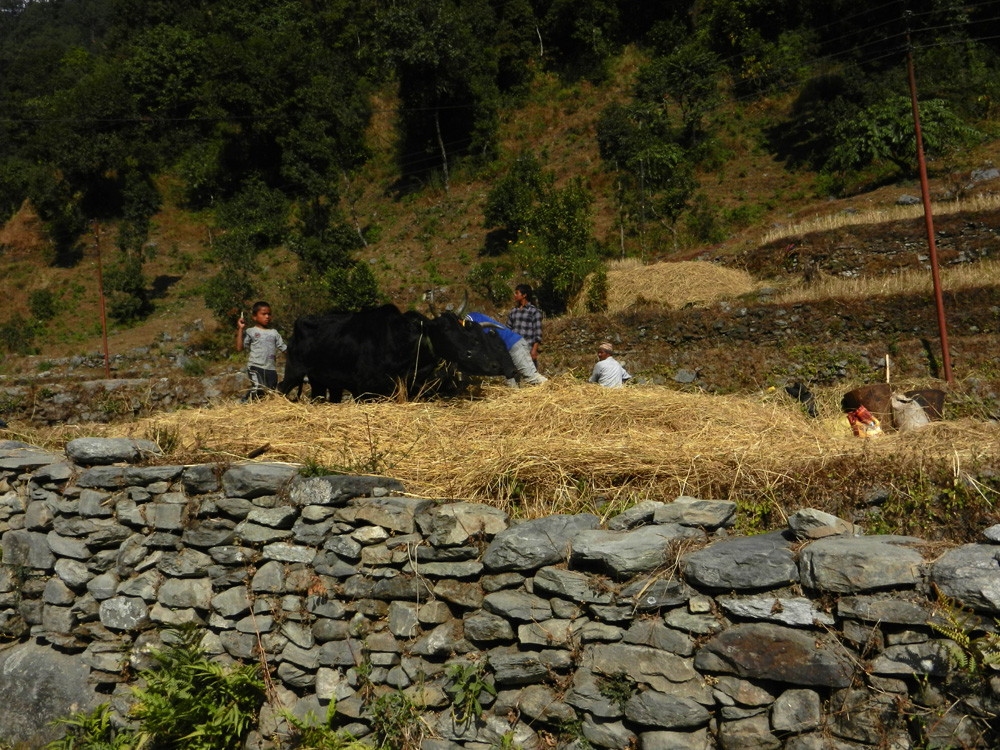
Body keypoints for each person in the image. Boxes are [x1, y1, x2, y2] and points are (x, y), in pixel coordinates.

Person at [465, 312, 547, 387]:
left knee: (531, 377)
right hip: (504, 354)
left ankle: (550, 387)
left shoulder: (469, 318)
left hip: (513, 345)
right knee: (512, 387)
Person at [236, 301, 286, 402]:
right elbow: (239, 348)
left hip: (271, 369)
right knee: (258, 388)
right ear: (255, 317)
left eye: (269, 314)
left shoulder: (274, 333)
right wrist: (241, 329)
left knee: (270, 393)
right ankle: (244, 403)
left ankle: (258, 408)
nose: (267, 316)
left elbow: (284, 349)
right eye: (264, 314)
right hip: (256, 366)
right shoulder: (251, 331)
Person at [506, 283, 542, 369]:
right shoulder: (514, 311)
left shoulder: (534, 311)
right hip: (514, 347)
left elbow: (538, 333)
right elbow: (508, 329)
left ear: (524, 295)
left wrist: (534, 350)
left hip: (527, 347)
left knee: (530, 371)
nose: (515, 295)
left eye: (517, 293)